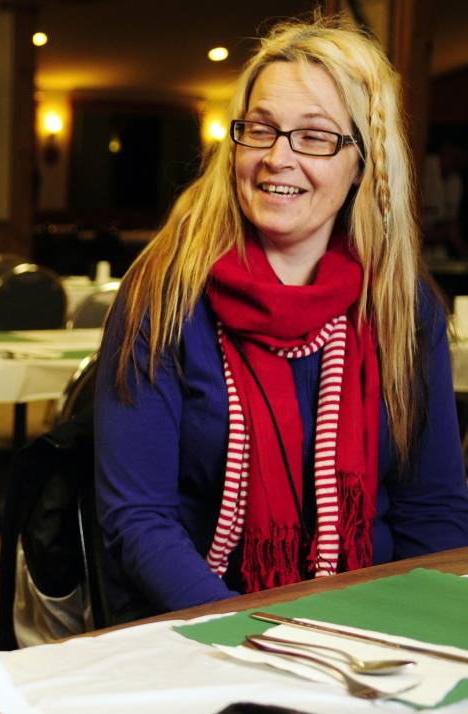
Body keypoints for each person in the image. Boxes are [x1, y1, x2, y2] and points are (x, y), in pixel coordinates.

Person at [94, 15, 468, 622]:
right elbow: (138, 521)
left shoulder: (403, 302)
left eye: (315, 137)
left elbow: (433, 511)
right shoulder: (163, 293)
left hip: (373, 618)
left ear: (362, 164)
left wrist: (423, 632)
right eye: (261, 130)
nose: (277, 159)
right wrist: (267, 635)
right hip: (202, 620)